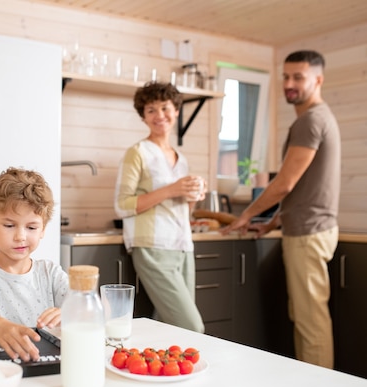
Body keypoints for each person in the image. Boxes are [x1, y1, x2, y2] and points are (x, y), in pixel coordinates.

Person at [222, 50, 340, 369]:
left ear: (318, 79)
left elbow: (285, 183)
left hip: (308, 233)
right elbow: (301, 188)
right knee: (305, 317)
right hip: (308, 229)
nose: (289, 83)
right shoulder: (315, 118)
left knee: (310, 322)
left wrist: (246, 215)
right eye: (285, 76)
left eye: (298, 77)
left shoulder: (311, 120)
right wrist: (273, 222)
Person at [114, 81, 205, 333]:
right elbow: (122, 205)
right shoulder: (138, 152)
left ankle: (156, 372)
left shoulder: (180, 158)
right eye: (151, 110)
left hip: (183, 247)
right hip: (152, 248)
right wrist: (172, 189)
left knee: (170, 329)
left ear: (176, 110)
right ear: (143, 116)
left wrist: (194, 195)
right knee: (191, 327)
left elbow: (181, 209)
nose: (159, 115)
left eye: (165, 108)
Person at [0, 167, 68, 362]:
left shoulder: (50, 272)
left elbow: (85, 306)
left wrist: (70, 312)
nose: (20, 236)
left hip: (44, 365)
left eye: (31, 227)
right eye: (9, 226)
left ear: (42, 229)